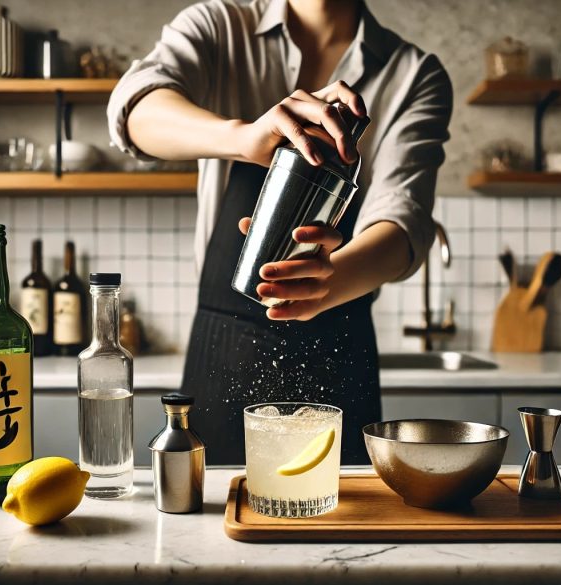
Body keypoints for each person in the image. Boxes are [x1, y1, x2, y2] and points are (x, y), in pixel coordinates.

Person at [108, 0, 452, 464]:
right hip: (221, 347)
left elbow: (403, 219)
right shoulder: (219, 26)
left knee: (343, 523)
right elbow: (135, 108)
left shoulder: (414, 74)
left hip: (340, 353)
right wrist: (243, 138)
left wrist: (332, 278)